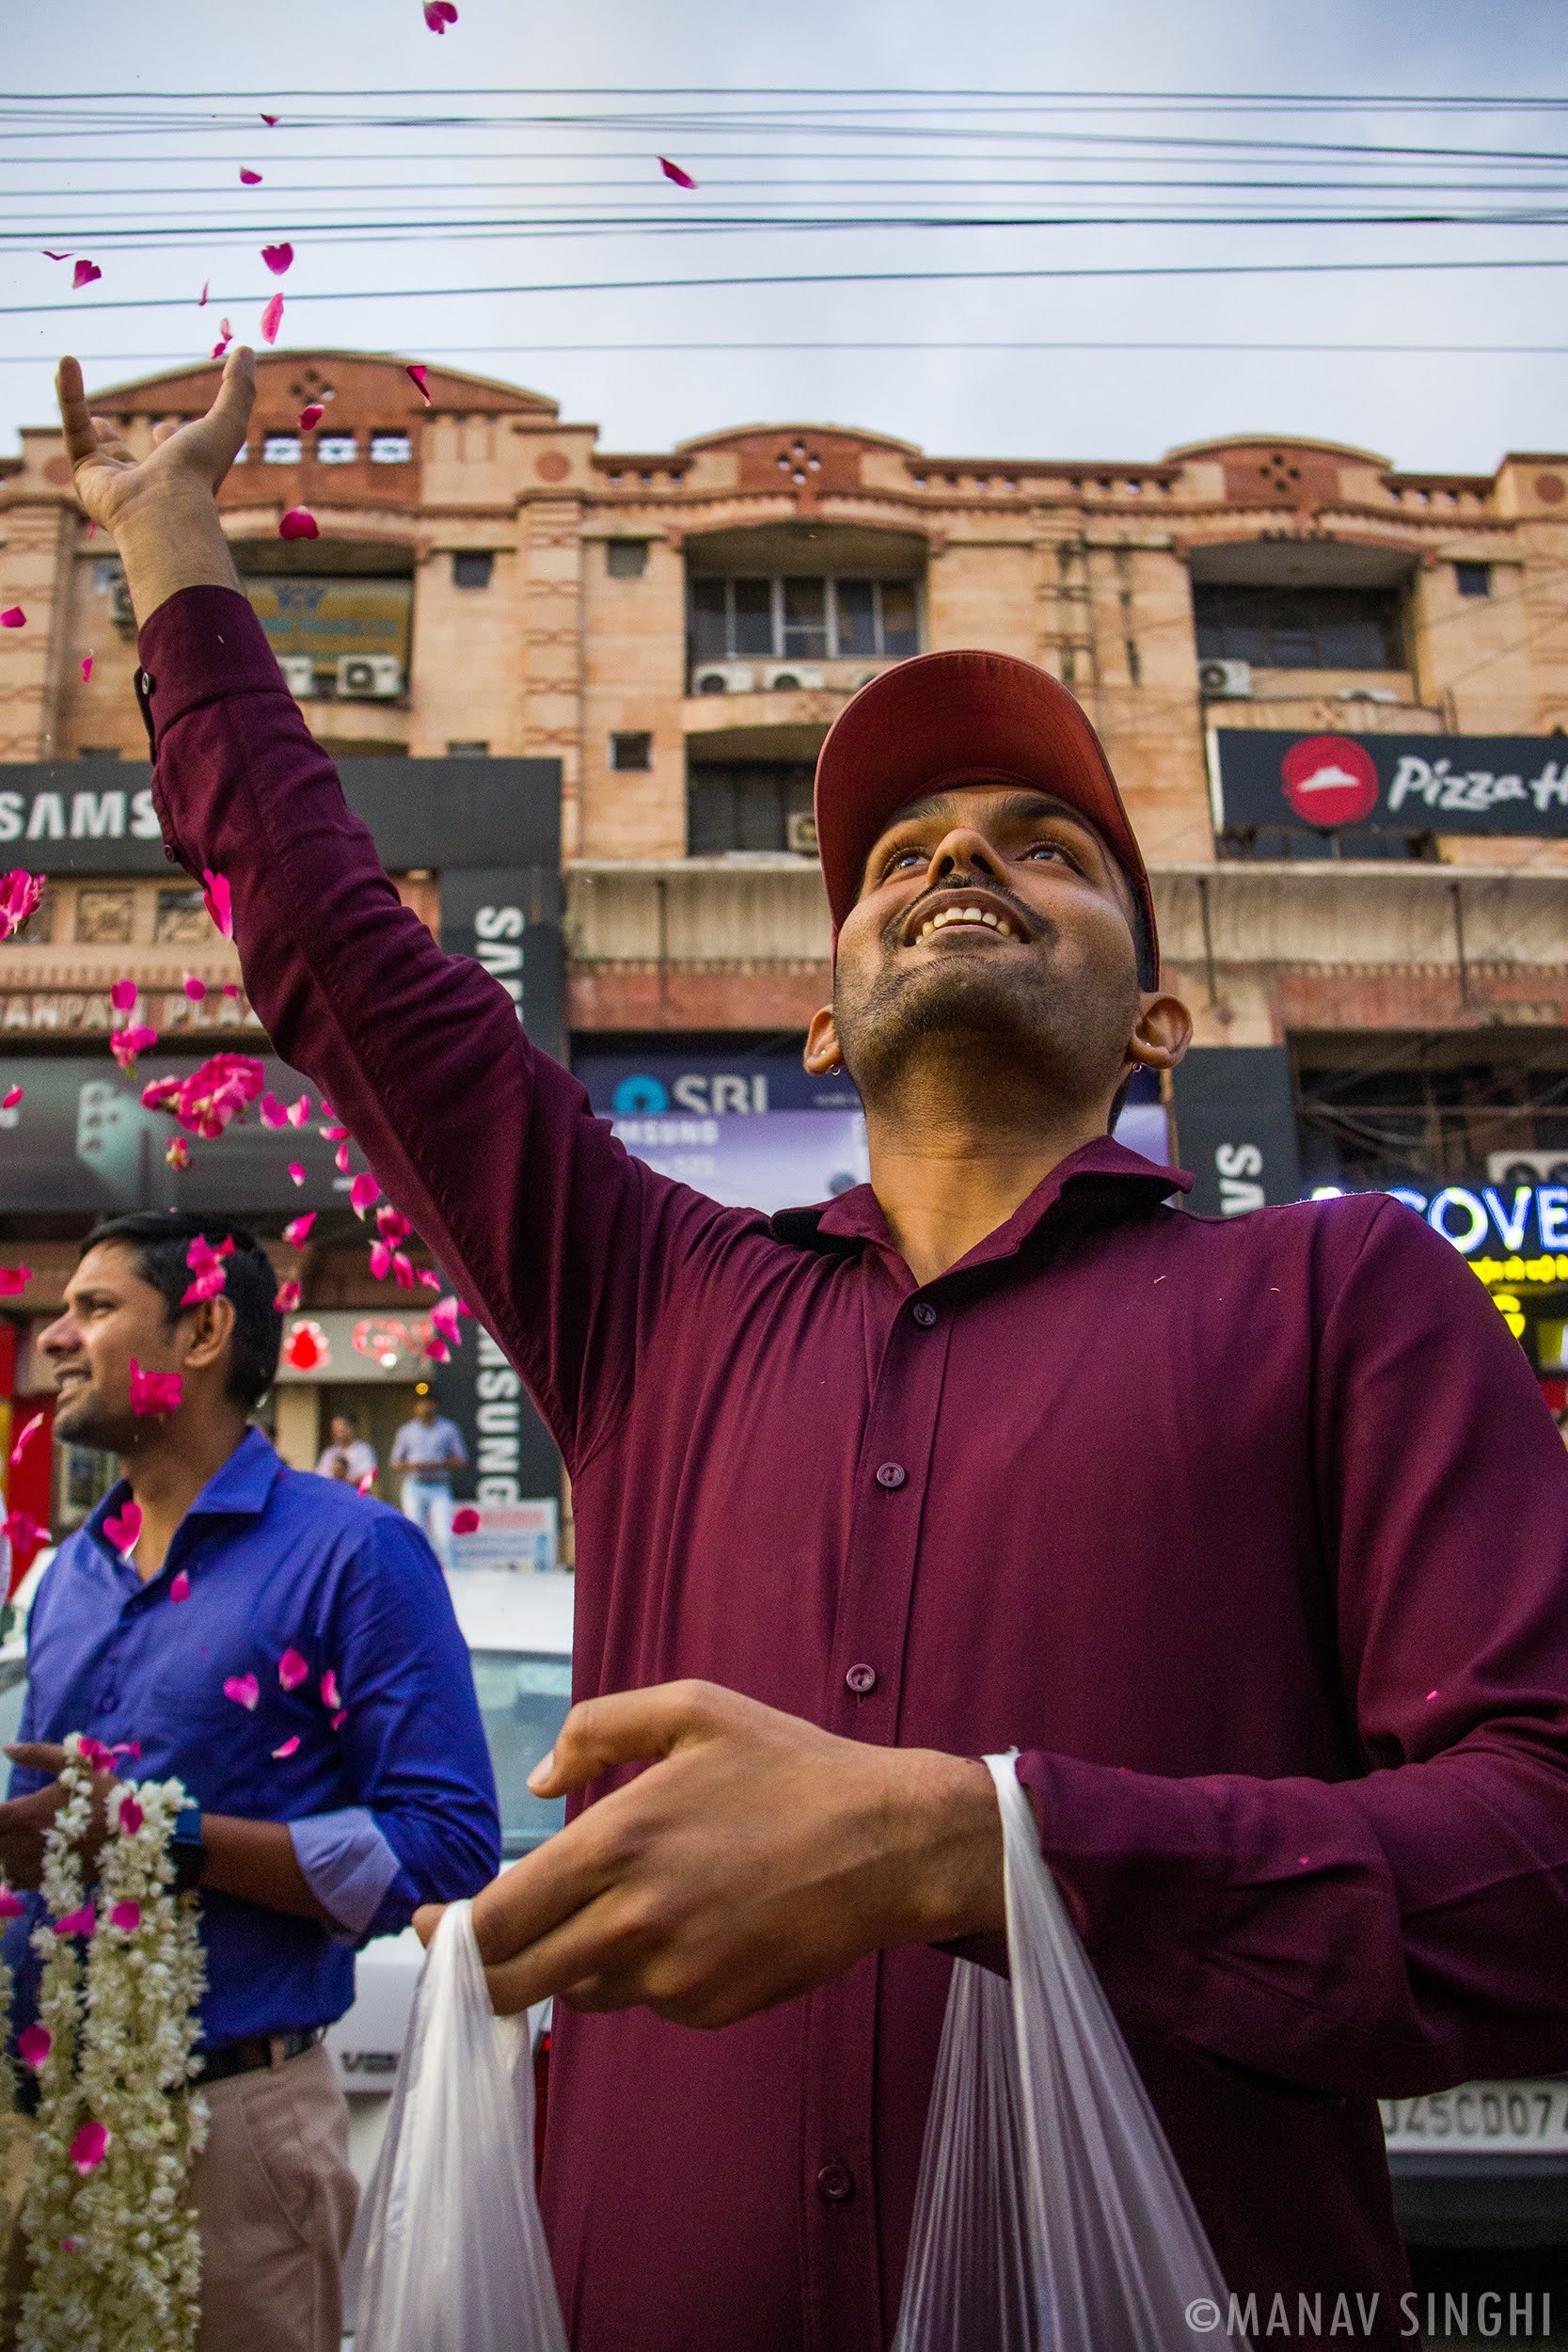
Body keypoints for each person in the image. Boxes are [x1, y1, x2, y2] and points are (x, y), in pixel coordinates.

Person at [55, 347, 1568, 2352]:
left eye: (1042, 842)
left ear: (1158, 1022)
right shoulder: (653, 1296)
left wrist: (983, 1839)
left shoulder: (1335, 1292)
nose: (956, 857)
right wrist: (168, 540)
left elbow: (1534, 1856)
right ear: (822, 1027)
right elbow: (342, 948)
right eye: (896, 851)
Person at [0, 1208, 500, 2352]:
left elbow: (447, 1843)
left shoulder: (355, 1552)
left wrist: (156, 1841)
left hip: (234, 2129)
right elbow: (53, 1841)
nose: (52, 1339)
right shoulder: (68, 1572)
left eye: (94, 1308)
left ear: (204, 1330)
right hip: (56, 2125)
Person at [388, 1390, 467, 1567]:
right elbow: (394, 1463)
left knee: (444, 1536)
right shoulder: (406, 1431)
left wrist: (437, 1464)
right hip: (415, 1486)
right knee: (416, 1533)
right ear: (416, 1407)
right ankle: (417, 1572)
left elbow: (461, 1460)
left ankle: (453, 1575)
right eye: (422, 1404)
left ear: (435, 1406)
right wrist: (412, 1465)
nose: (425, 1408)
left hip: (439, 1486)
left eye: (429, 1404)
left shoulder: (448, 1429)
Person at [315, 1409, 376, 1490]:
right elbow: (320, 1476)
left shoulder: (364, 1450)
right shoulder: (329, 1453)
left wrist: (344, 1479)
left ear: (350, 1429)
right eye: (334, 1430)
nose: (336, 1434)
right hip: (331, 1495)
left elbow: (369, 1476)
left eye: (340, 1430)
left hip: (354, 1495)